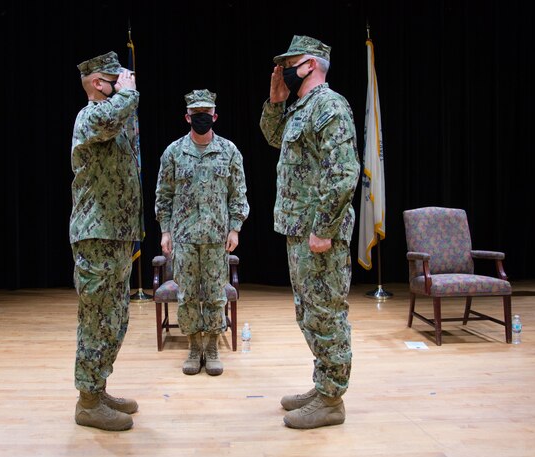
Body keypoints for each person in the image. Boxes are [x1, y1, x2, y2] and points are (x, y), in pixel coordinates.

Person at [259, 36, 360, 429]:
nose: (283, 68)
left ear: (311, 66)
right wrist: (275, 99)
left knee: (325, 312)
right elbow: (272, 136)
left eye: (291, 62)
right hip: (298, 229)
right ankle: (323, 385)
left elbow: (344, 173)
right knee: (308, 312)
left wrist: (323, 229)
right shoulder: (301, 108)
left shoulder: (330, 106)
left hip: (319, 234)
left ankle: (332, 399)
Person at [69, 51, 143, 431]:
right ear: (100, 83)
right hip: (96, 237)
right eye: (117, 78)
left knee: (114, 318)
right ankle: (87, 401)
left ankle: (98, 389)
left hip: (115, 235)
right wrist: (128, 93)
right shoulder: (92, 117)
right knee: (97, 319)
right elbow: (113, 117)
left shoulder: (112, 120)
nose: (125, 81)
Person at [155, 89, 249, 376]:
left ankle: (212, 347)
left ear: (214, 117)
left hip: (216, 238)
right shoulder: (173, 152)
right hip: (184, 238)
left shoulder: (229, 151)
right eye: (196, 116)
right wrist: (165, 231)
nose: (201, 120)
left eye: (205, 116)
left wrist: (235, 228)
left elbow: (238, 194)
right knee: (188, 296)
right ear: (187, 117)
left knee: (214, 295)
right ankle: (194, 348)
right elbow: (164, 195)